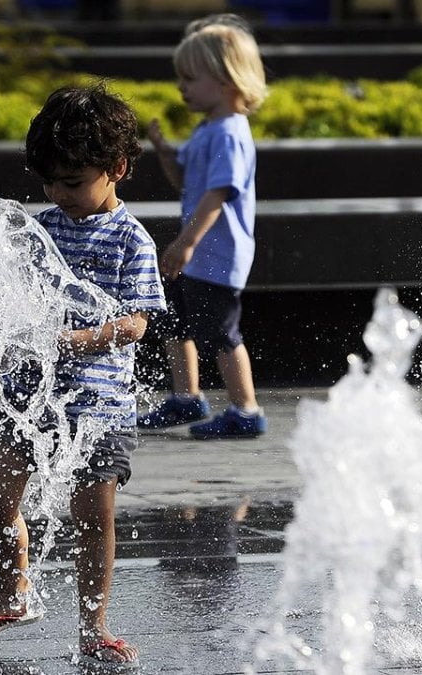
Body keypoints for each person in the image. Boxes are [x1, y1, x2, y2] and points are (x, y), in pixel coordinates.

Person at [0, 84, 165, 668]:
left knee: (92, 519)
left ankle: (94, 628)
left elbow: (138, 323)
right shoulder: (40, 228)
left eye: (71, 182)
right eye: (48, 182)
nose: (56, 194)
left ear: (116, 169)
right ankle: (13, 587)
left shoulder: (131, 239)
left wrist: (74, 341)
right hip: (27, 394)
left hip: (98, 406)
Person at [140, 19, 270, 439]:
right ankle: (187, 397)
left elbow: (218, 194)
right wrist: (164, 153)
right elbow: (186, 184)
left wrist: (185, 242)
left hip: (216, 256)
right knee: (173, 320)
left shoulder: (230, 133)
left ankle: (245, 409)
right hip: (198, 254)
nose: (182, 87)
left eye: (190, 78)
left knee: (220, 332)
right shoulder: (207, 130)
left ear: (227, 80)